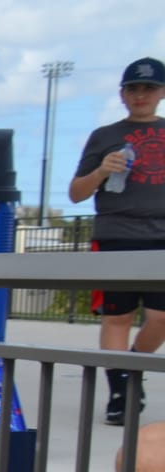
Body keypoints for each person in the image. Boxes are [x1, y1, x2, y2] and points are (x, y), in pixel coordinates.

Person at [70, 57, 165, 425]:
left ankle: (131, 370)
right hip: (116, 236)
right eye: (134, 88)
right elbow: (76, 193)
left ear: (161, 93)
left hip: (161, 237)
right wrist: (100, 171)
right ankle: (119, 391)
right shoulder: (104, 136)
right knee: (117, 318)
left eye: (149, 88)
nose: (141, 95)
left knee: (160, 318)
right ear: (123, 94)